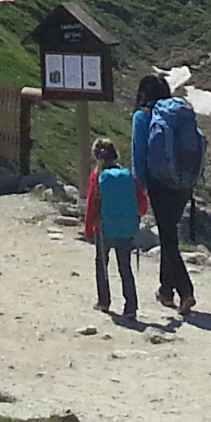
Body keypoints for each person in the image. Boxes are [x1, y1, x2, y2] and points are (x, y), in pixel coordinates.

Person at [131, 72, 206, 320]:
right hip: (183, 182)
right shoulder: (176, 115)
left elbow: (138, 155)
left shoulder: (142, 117)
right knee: (169, 233)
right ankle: (166, 291)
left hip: (159, 182)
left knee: (168, 237)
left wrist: (139, 187)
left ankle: (185, 290)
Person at [83, 138, 147, 324]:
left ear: (96, 156)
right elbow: (142, 204)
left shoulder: (97, 177)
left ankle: (104, 301)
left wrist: (89, 230)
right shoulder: (128, 176)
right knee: (125, 267)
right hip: (126, 229)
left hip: (104, 229)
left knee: (101, 264)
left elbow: (92, 205)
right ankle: (131, 307)